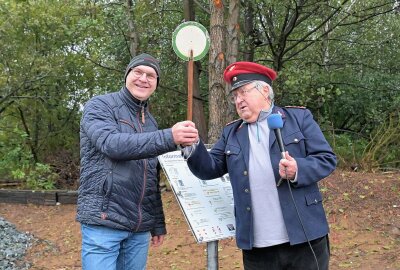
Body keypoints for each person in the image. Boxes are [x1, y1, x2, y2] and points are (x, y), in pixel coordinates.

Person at [182, 61, 337, 270]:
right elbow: (210, 168)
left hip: (304, 236)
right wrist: (193, 146)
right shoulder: (231, 133)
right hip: (257, 246)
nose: (238, 100)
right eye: (235, 96)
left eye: (243, 92)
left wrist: (297, 169)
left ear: (265, 91)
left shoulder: (298, 118)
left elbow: (326, 158)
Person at [77, 53, 199, 270]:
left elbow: (150, 176)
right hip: (104, 221)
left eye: (151, 75)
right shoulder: (99, 106)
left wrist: (157, 223)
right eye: (138, 72)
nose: (144, 79)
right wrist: (169, 137)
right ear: (127, 75)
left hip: (139, 229)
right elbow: (111, 144)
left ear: (156, 84)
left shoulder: (150, 122)